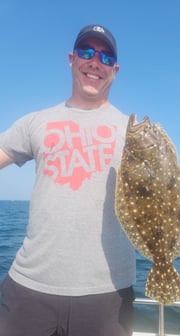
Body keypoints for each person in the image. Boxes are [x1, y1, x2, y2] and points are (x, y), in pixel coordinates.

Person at [0, 24, 136, 336]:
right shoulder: (35, 121)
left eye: (105, 56)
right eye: (86, 52)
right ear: (71, 59)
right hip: (29, 287)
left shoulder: (133, 132)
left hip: (108, 293)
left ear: (115, 69)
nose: (95, 62)